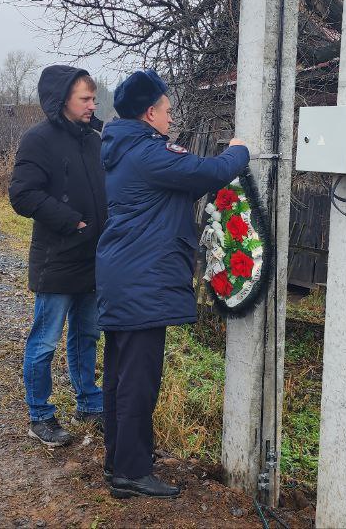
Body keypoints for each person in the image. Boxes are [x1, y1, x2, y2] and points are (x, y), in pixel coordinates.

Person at [95, 69, 250, 499]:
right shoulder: (148, 151)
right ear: (149, 113)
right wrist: (239, 151)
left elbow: (176, 187)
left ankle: (120, 462)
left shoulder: (124, 149)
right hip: (142, 280)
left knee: (121, 377)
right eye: (166, 110)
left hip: (126, 277)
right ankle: (131, 472)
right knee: (138, 380)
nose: (171, 118)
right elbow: (206, 172)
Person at [8, 65, 107, 447]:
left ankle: (89, 404)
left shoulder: (94, 140)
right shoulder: (39, 139)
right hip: (57, 258)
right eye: (85, 99)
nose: (92, 105)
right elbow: (22, 195)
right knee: (45, 341)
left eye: (93, 98)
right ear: (63, 99)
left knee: (87, 335)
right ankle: (40, 415)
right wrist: (71, 221)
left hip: (92, 259)